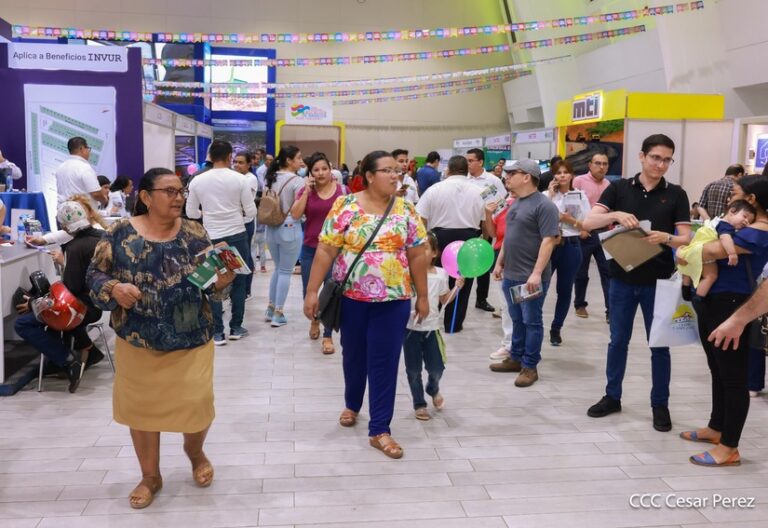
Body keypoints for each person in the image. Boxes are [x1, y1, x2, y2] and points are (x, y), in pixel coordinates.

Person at [87, 167, 236, 509]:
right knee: (142, 411)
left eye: (180, 191)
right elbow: (94, 273)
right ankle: (150, 475)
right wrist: (114, 287)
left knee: (197, 405)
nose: (179, 197)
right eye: (169, 191)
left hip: (192, 337)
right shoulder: (119, 233)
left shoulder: (196, 233)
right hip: (138, 339)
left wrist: (223, 279)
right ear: (145, 196)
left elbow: (207, 282)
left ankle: (194, 452)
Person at [303, 150, 428, 460]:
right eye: (387, 170)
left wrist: (423, 295)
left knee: (384, 362)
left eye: (397, 170)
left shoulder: (406, 210)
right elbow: (326, 250)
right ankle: (352, 403)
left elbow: (417, 254)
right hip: (352, 298)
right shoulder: (346, 205)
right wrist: (311, 291)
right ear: (370, 176)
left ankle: (380, 429)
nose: (395, 175)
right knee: (354, 355)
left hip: (393, 299)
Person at [584, 134, 691, 432]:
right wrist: (616, 214)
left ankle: (660, 404)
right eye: (655, 157)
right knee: (618, 341)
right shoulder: (618, 188)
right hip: (621, 277)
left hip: (658, 281)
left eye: (667, 159)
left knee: (659, 345)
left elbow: (686, 237)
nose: (660, 164)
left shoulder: (677, 194)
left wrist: (666, 237)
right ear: (642, 156)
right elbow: (589, 222)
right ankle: (612, 396)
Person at [681, 175, 768, 466]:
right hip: (715, 302)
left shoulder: (758, 231)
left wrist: (686, 248)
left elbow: (706, 249)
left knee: (733, 377)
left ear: (751, 200)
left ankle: (729, 446)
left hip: (732, 306)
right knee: (717, 368)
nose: (730, 198)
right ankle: (716, 428)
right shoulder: (740, 226)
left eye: (735, 193)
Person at [15, 198, 104, 393]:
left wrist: (33, 303)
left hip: (81, 309)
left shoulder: (75, 247)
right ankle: (88, 351)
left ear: (64, 225)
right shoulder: (105, 237)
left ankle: (67, 361)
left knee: (22, 323)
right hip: (100, 304)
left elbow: (69, 292)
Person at [489, 160, 560, 387]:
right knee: (517, 318)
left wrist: (537, 273)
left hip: (530, 277)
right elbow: (509, 238)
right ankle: (516, 358)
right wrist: (500, 262)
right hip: (512, 273)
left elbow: (549, 241)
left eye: (512, 173)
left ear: (527, 177)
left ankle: (530, 366)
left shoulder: (544, 205)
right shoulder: (516, 203)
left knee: (531, 320)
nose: (507, 177)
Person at [186, 139, 256, 344]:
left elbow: (191, 212)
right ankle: (236, 327)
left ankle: (217, 332)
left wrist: (207, 215)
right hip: (237, 234)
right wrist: (238, 218)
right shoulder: (240, 179)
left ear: (210, 156)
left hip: (210, 236)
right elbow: (251, 211)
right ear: (229, 157)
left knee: (211, 280)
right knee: (239, 280)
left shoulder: (197, 180)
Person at [416, 155, 491, 333]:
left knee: (435, 277)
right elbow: (484, 221)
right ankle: (453, 324)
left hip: (439, 238)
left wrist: (423, 241)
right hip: (469, 239)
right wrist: (486, 240)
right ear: (467, 170)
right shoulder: (478, 191)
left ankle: (429, 318)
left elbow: (421, 218)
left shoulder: (435, 189)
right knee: (462, 282)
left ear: (448, 170)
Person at [290, 152, 346, 354]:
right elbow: (295, 215)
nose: (321, 173)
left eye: (324, 168)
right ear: (310, 172)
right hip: (310, 249)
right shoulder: (307, 191)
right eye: (316, 169)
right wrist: (305, 191)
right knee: (310, 291)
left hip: (335, 251)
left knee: (330, 292)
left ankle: (328, 335)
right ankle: (314, 321)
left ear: (330, 169)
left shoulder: (342, 191)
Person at [404, 231, 462, 420]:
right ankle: (419, 404)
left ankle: (433, 387)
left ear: (435, 253)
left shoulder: (441, 274)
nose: (421, 252)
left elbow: (444, 299)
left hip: (432, 329)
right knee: (413, 370)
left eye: (426, 248)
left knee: (437, 367)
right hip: (409, 330)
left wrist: (457, 288)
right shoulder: (407, 274)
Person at [543, 160, 591, 346]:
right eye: (558, 172)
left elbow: (585, 225)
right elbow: (537, 217)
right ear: (554, 175)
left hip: (571, 244)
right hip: (549, 243)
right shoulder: (547, 195)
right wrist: (550, 196)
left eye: (565, 172)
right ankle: (535, 325)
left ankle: (556, 328)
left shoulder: (580, 196)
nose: (562, 175)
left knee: (564, 290)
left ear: (572, 175)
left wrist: (567, 219)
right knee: (540, 288)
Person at [263, 146, 305, 327]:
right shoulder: (298, 181)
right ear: (289, 160)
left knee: (278, 269)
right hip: (290, 227)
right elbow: (298, 212)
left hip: (271, 227)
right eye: (299, 158)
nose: (301, 162)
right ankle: (278, 313)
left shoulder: (270, 177)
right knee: (286, 271)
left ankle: (270, 308)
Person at [677, 200, 756, 298]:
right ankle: (698, 297)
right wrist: (732, 253)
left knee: (689, 269)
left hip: (692, 248)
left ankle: (685, 287)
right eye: (745, 216)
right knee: (711, 276)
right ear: (732, 211)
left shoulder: (717, 220)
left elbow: (706, 220)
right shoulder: (726, 227)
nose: (746, 222)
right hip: (702, 252)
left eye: (749, 221)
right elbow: (725, 238)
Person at [466, 148, 507, 313]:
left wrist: (491, 216)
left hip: (486, 226)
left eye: (471, 160)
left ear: (480, 162)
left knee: (483, 262)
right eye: (466, 160)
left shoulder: (493, 180)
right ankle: (459, 296)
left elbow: (503, 202)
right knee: (466, 263)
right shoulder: (464, 180)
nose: (468, 163)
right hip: (468, 225)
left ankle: (481, 299)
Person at [572, 152, 612, 321]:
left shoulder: (609, 184)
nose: (601, 167)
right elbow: (572, 207)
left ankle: (611, 310)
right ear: (590, 165)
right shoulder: (579, 181)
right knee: (581, 272)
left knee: (608, 272)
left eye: (604, 164)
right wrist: (579, 228)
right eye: (598, 163)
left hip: (605, 233)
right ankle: (580, 304)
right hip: (585, 234)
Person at [233, 150, 259, 298]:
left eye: (241, 162)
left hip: (246, 222)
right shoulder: (235, 177)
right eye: (235, 162)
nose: (237, 165)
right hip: (234, 222)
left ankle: (246, 290)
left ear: (249, 164)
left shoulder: (250, 179)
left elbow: (241, 200)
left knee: (245, 256)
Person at [55, 137, 104, 208]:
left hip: (63, 212)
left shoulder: (61, 167)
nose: (89, 152)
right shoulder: (85, 167)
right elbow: (96, 193)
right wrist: (106, 201)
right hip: (81, 214)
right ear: (82, 149)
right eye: (88, 148)